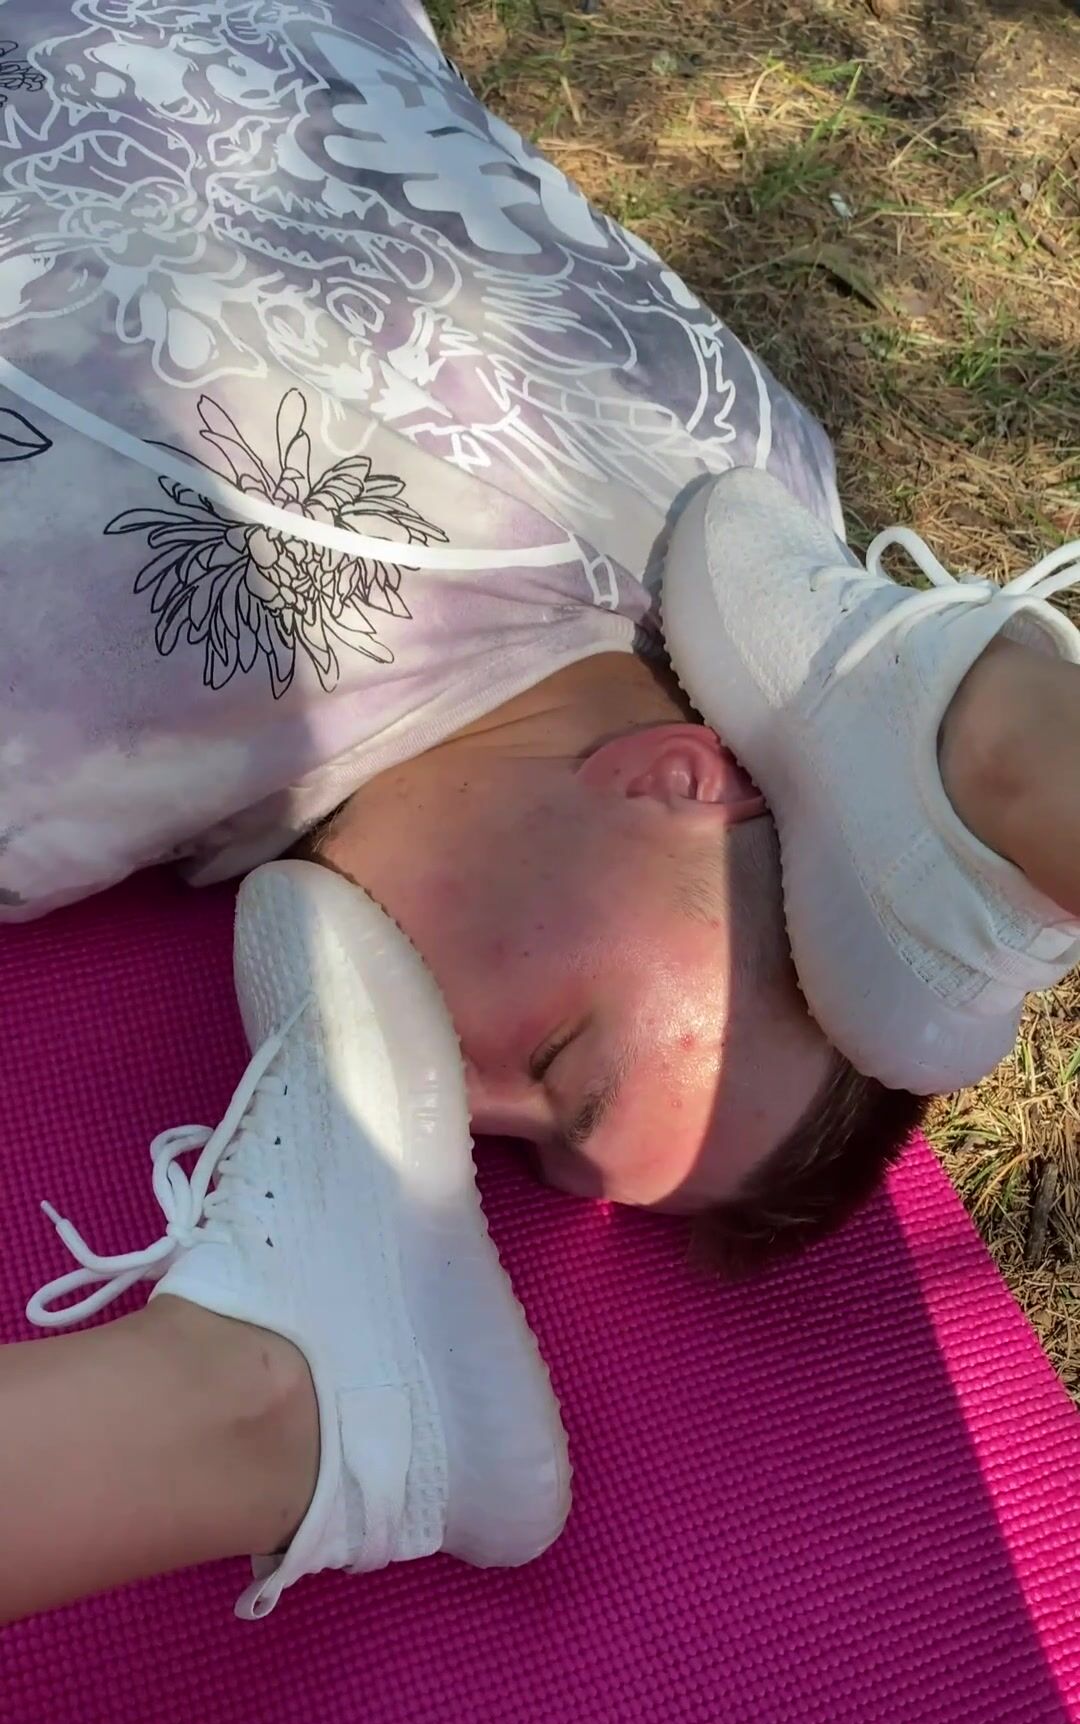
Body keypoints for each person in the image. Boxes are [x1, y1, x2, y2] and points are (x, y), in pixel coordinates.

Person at [0, 0, 924, 1260]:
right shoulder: (66, 761)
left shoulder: (759, 477)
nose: (446, 1106)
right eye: (557, 1059)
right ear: (679, 779)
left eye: (509, 1145)